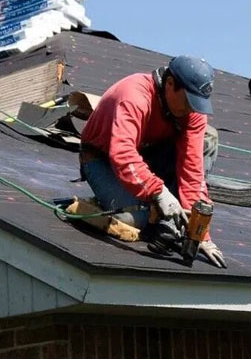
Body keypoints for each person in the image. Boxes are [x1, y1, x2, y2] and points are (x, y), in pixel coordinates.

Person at [79, 55, 226, 268]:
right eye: (188, 102)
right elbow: (122, 155)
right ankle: (124, 206)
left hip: (145, 156)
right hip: (103, 160)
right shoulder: (134, 96)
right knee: (139, 218)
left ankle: (163, 217)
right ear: (170, 84)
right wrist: (158, 192)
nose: (191, 110)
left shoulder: (191, 110)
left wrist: (200, 232)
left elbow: (192, 172)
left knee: (208, 137)